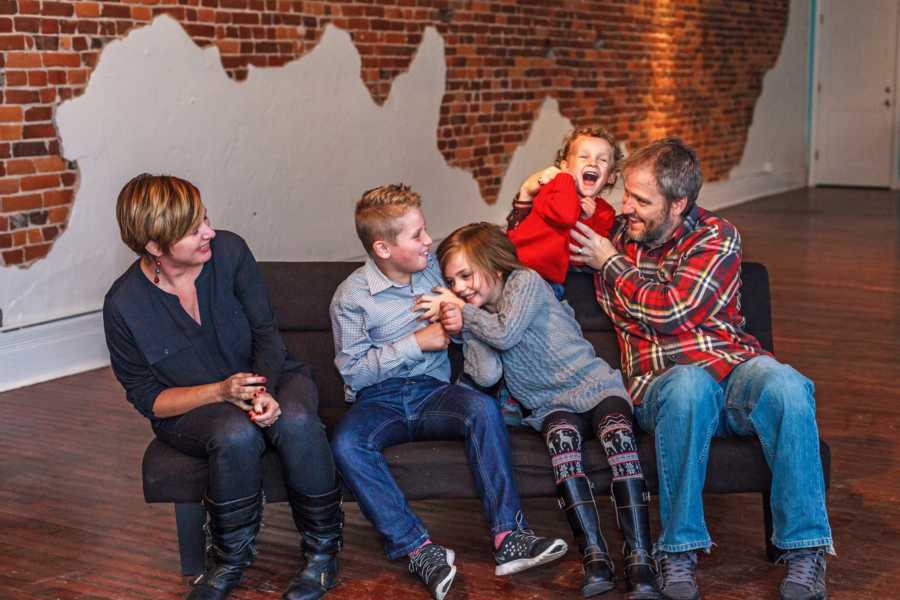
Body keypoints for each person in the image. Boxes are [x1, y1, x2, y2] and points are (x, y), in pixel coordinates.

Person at [570, 139, 833, 600]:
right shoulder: (614, 232)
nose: (625, 207)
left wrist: (612, 267)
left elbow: (674, 312)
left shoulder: (716, 235)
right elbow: (530, 227)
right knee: (688, 385)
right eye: (626, 193)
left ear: (679, 204)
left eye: (641, 200)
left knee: (789, 385)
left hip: (733, 369)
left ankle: (805, 550)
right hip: (662, 382)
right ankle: (677, 550)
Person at [103, 174, 341, 600]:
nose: (209, 231)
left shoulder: (229, 252)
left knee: (298, 419)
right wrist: (221, 392)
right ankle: (229, 561)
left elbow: (266, 332)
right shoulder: (124, 305)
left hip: (269, 374)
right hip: (194, 407)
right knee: (233, 433)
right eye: (194, 230)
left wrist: (261, 390)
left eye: (206, 218)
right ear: (156, 248)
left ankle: (323, 554)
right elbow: (148, 397)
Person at [329, 184, 567, 600]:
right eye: (417, 234)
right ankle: (418, 549)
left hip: (433, 391)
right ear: (383, 248)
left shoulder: (436, 274)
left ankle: (510, 536)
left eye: (425, 231)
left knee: (481, 408)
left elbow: (479, 314)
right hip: (378, 400)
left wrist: (457, 325)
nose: (428, 241)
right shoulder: (351, 298)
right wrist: (416, 342)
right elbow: (354, 373)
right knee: (348, 442)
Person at [418, 222, 660, 599]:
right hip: (550, 406)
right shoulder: (482, 317)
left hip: (595, 387)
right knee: (564, 453)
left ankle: (640, 560)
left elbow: (507, 332)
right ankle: (595, 557)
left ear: (494, 266)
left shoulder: (524, 283)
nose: (460, 287)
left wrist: (462, 312)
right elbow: (485, 374)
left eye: (465, 275)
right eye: (451, 283)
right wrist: (466, 330)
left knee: (619, 439)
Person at [507, 127, 620, 299]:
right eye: (584, 156)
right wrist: (564, 183)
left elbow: (583, 255)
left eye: (602, 160)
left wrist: (587, 220)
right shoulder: (552, 190)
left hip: (555, 281)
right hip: (525, 268)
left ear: (611, 176)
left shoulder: (604, 212)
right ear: (564, 166)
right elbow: (558, 218)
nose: (592, 163)